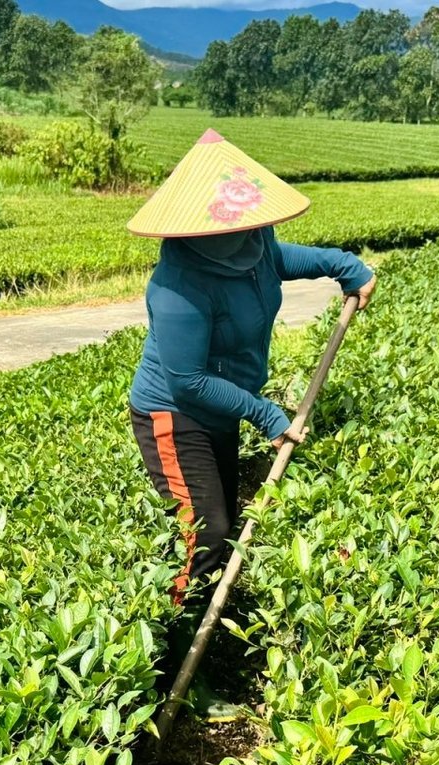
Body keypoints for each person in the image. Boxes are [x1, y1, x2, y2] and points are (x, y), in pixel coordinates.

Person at [123, 130, 376, 621]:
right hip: (175, 415)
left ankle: (217, 616)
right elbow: (187, 381)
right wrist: (265, 414)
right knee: (208, 531)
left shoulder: (255, 242)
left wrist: (345, 266)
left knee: (225, 518)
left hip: (221, 405)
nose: (253, 232)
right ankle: (172, 641)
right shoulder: (178, 288)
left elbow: (281, 260)